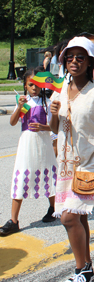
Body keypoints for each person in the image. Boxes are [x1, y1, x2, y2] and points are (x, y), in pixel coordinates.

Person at [49, 36, 94, 282]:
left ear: (90, 62)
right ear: (64, 60)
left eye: (80, 57)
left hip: (90, 162)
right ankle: (86, 266)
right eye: (70, 56)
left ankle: (82, 269)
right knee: (80, 216)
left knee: (69, 217)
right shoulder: (61, 91)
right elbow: (54, 127)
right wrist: (54, 115)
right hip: (66, 163)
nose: (74, 61)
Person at [0, 67, 58, 236]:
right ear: (25, 86)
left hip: (44, 144)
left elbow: (55, 127)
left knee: (49, 175)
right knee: (21, 176)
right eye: (31, 85)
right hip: (27, 144)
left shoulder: (46, 102)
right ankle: (14, 220)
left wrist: (43, 127)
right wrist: (18, 107)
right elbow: (12, 122)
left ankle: (53, 208)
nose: (34, 88)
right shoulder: (23, 102)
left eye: (37, 85)